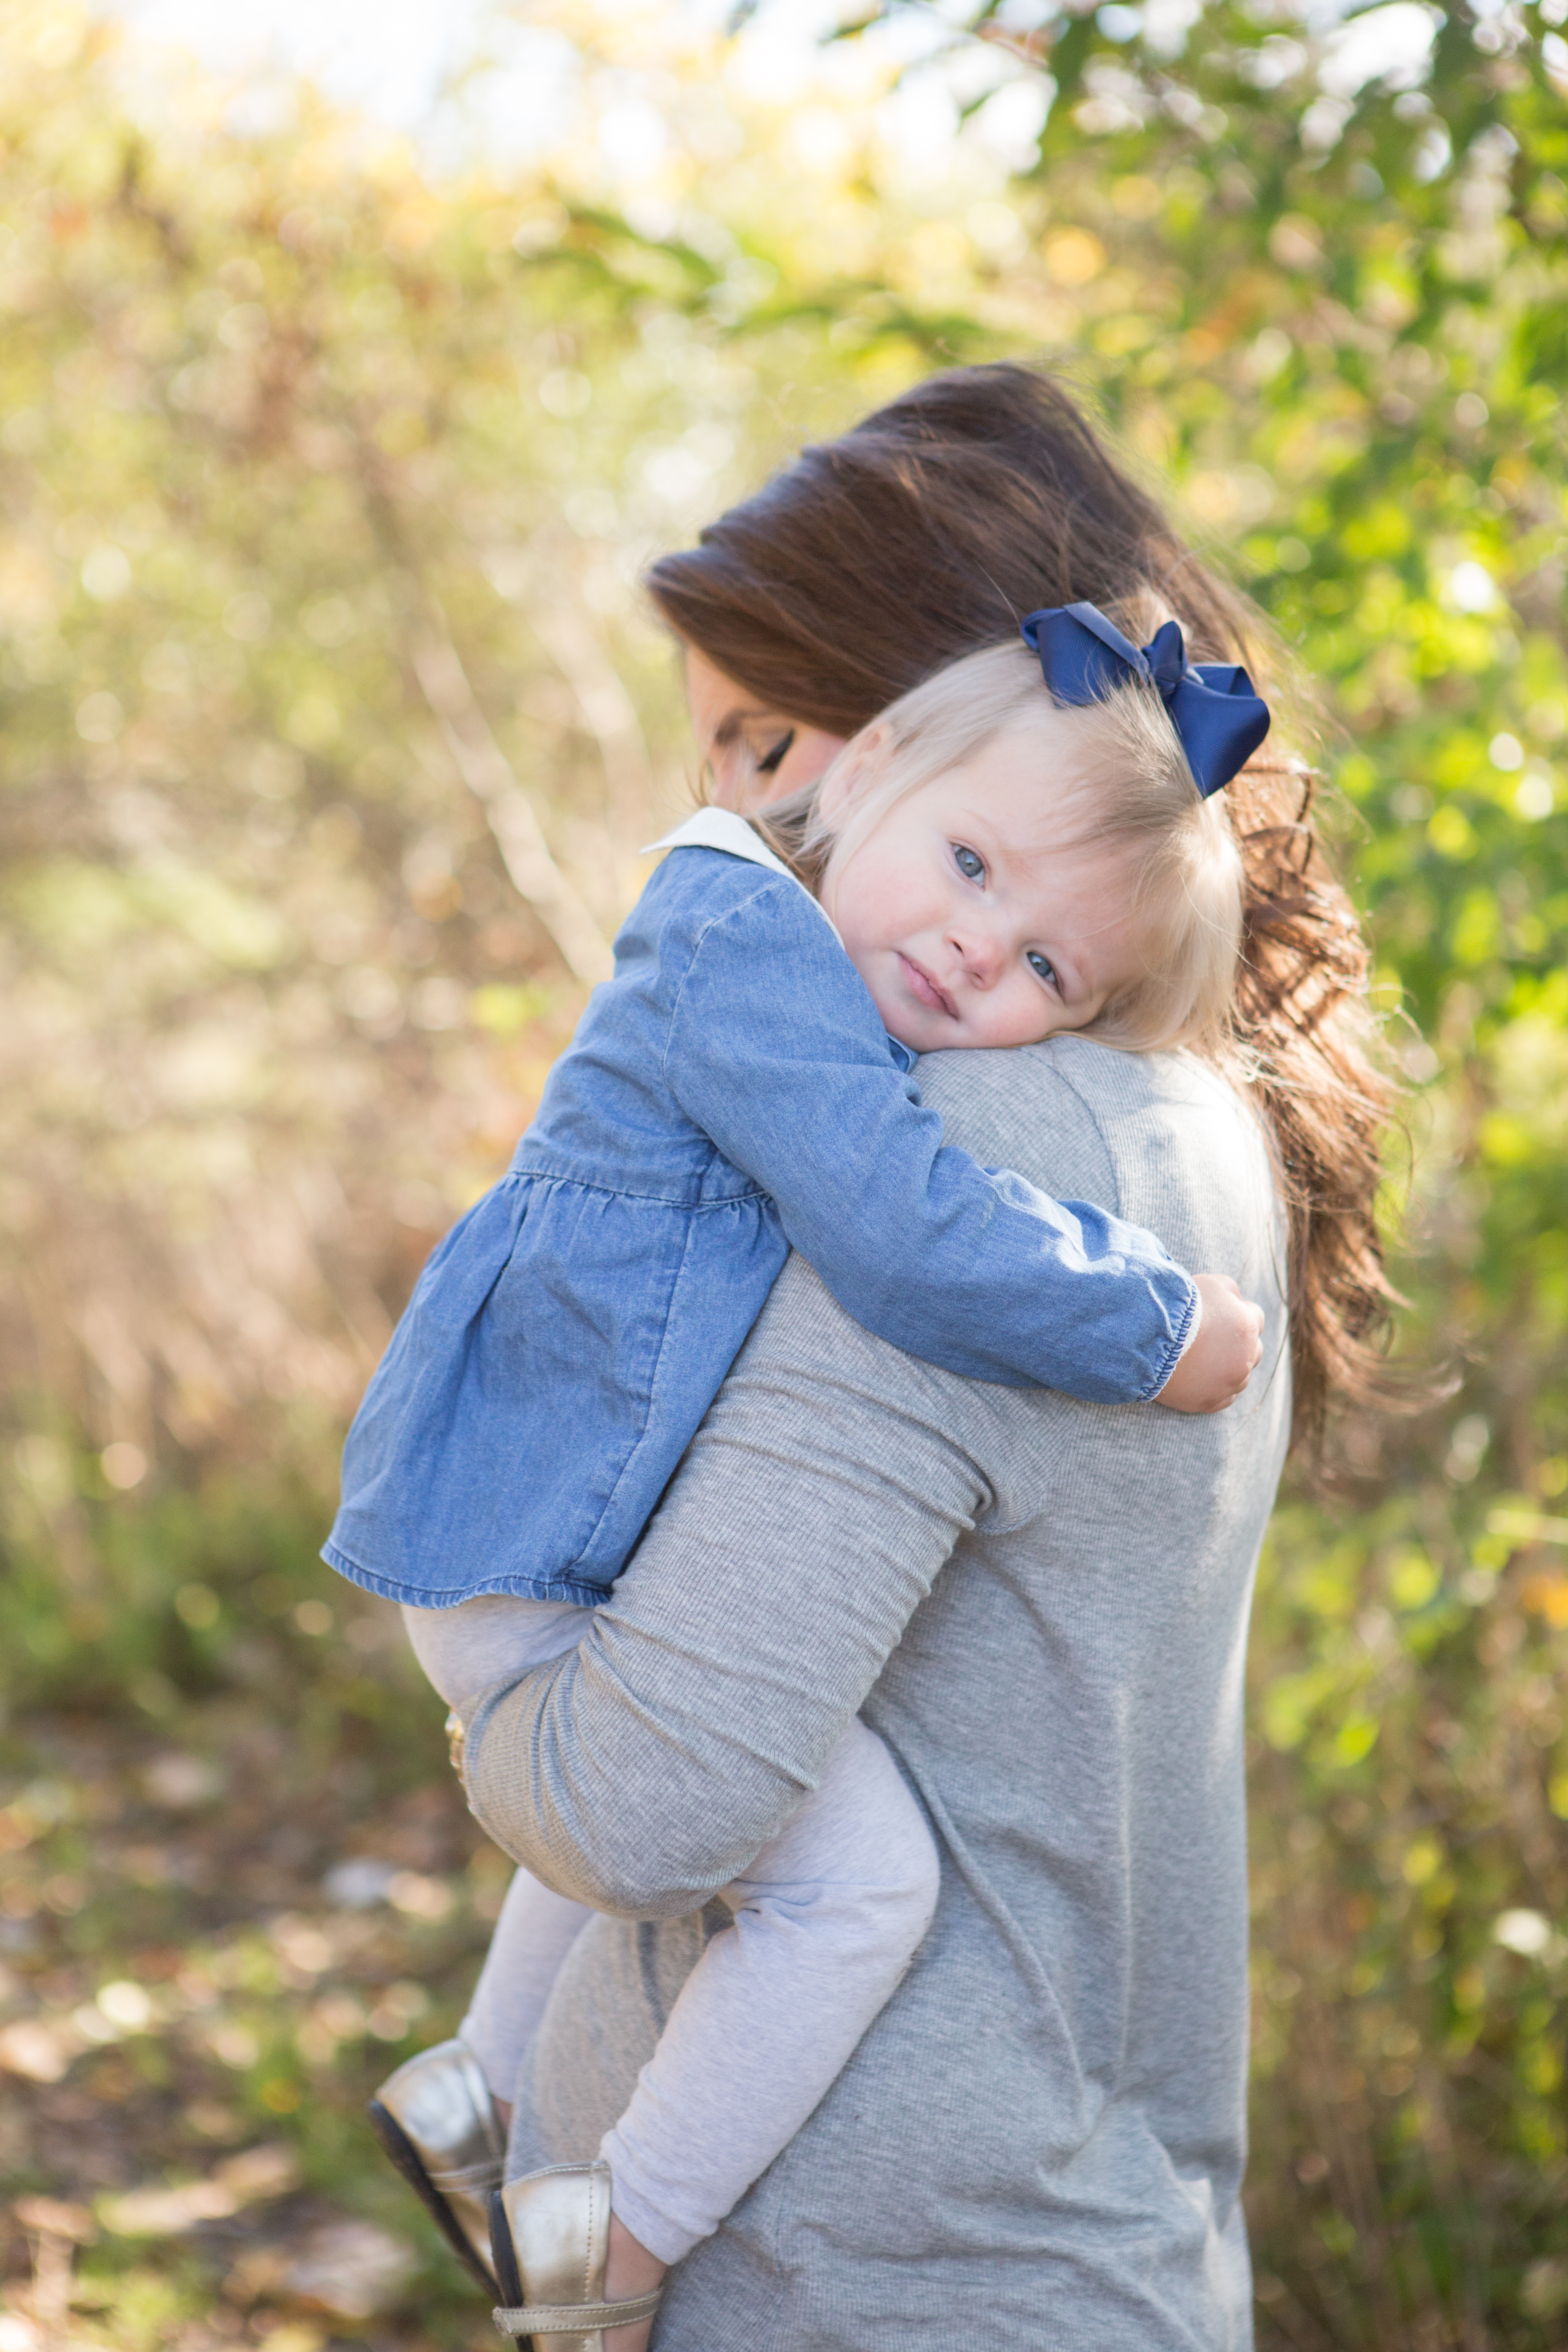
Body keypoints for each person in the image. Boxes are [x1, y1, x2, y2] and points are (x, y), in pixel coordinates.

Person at [441, 365, 1398, 2351]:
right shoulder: (1165, 1112)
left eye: (766, 739)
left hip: (876, 2281)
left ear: (945, 724)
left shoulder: (977, 1157)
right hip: (1059, 2247)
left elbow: (644, 1800)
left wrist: (503, 1685)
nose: (733, 813)